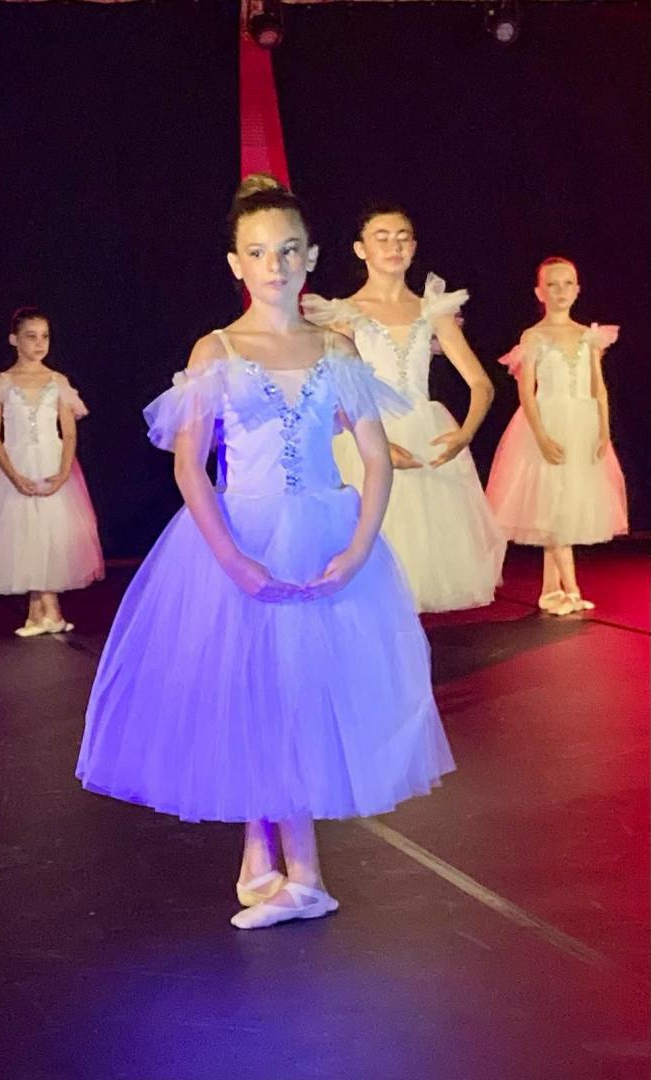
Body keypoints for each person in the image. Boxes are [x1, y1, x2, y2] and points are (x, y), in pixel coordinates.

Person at [76, 177, 454, 931]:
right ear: (235, 263)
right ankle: (259, 845)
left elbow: (376, 459)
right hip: (237, 538)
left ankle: (308, 877)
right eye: (257, 252)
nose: (273, 265)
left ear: (310, 256)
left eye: (287, 250)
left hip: (319, 534)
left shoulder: (334, 348)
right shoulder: (218, 349)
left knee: (297, 691)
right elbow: (191, 467)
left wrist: (358, 547)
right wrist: (232, 560)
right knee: (249, 685)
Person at [303, 206, 505, 613]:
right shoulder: (344, 314)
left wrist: (465, 434)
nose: (393, 246)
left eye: (402, 237)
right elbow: (329, 391)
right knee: (370, 563)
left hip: (424, 438)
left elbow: (481, 384)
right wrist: (373, 445)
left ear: (413, 247)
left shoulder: (432, 310)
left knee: (420, 564)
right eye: (382, 237)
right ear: (361, 249)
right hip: (367, 436)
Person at [486, 257, 628, 615]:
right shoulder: (534, 336)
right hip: (548, 423)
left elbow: (598, 388)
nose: (561, 291)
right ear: (540, 292)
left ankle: (552, 589)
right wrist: (541, 436)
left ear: (577, 289)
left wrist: (604, 431)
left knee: (564, 504)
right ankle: (572, 589)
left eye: (568, 283)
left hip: (582, 425)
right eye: (553, 284)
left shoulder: (588, 336)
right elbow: (526, 392)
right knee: (553, 505)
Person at [0, 307, 104, 634]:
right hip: (15, 465)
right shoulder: (2, 382)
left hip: (52, 463)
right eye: (31, 336)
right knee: (24, 533)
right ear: (14, 340)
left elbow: (69, 433)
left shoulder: (57, 381)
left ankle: (48, 612)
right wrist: (13, 475)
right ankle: (40, 612)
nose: (40, 343)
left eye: (45, 337)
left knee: (50, 531)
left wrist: (64, 472)